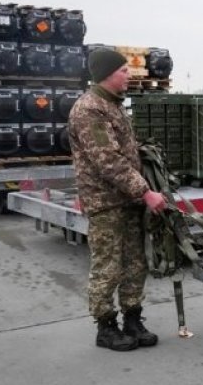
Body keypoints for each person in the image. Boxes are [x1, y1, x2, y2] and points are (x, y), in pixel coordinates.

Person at [68, 50, 167, 351]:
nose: (129, 75)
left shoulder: (113, 106)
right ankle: (106, 326)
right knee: (108, 266)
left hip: (127, 201)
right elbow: (107, 160)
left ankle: (133, 318)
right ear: (108, 73)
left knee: (135, 264)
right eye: (124, 70)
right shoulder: (89, 109)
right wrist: (145, 191)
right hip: (106, 202)